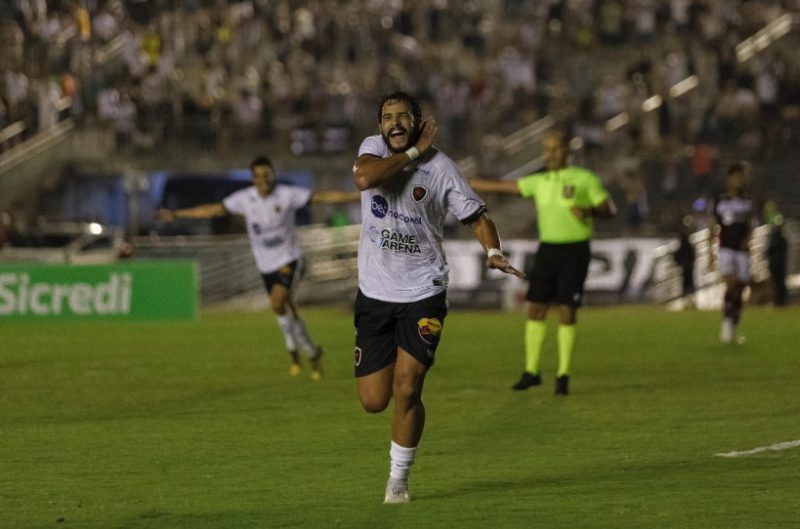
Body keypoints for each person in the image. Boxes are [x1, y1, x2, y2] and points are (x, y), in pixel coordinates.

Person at [352, 91, 524, 504]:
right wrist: (414, 151)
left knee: (408, 388)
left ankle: (398, 479)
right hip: (375, 294)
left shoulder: (443, 168)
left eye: (403, 116)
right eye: (387, 117)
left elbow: (477, 216)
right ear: (380, 126)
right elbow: (364, 179)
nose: (394, 123)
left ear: (418, 121)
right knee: (374, 401)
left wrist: (493, 251)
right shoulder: (371, 151)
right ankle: (397, 459)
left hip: (423, 293)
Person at [157, 156, 359, 379]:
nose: (263, 179)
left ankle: (293, 351)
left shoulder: (287, 194)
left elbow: (321, 196)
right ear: (252, 178)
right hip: (266, 266)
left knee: (277, 302)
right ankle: (312, 351)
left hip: (290, 260)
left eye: (267, 174)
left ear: (272, 174)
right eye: (258, 176)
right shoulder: (245, 199)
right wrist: (176, 214)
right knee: (284, 308)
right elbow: (213, 209)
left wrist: (356, 196)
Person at [469, 131, 616, 396]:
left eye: (554, 148)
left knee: (567, 311)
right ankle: (532, 371)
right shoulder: (540, 181)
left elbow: (609, 209)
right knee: (535, 308)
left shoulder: (584, 179)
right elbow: (507, 187)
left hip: (575, 251)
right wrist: (467, 182)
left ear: (566, 151)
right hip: (547, 250)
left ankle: (563, 375)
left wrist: (590, 211)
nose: (549, 153)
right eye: (545, 148)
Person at [709, 162, 756, 343]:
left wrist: (749, 240)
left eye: (740, 176)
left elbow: (751, 224)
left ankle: (734, 323)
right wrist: (710, 252)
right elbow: (713, 226)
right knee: (730, 285)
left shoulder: (747, 199)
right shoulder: (720, 199)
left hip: (742, 250)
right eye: (735, 176)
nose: (738, 180)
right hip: (726, 248)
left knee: (741, 287)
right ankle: (727, 324)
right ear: (729, 178)